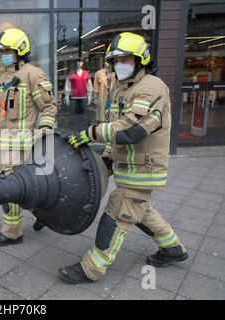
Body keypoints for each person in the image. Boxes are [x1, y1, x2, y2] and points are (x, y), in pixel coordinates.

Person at [59, 32, 188, 284]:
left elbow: (130, 130)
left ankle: (91, 268)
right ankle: (173, 248)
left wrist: (90, 134)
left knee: (117, 214)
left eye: (126, 59)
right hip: (129, 166)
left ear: (140, 61)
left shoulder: (151, 88)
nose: (120, 64)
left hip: (143, 169)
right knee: (141, 211)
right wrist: (107, 157)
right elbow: (114, 125)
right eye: (116, 60)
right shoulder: (123, 86)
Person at [0, 28, 57, 247]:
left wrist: (44, 130)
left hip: (24, 146)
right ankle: (43, 216)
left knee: (10, 190)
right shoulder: (3, 79)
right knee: (27, 188)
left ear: (20, 50)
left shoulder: (33, 74)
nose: (3, 54)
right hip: (6, 146)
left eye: (7, 50)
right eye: (2, 50)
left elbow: (49, 108)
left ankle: (12, 233)